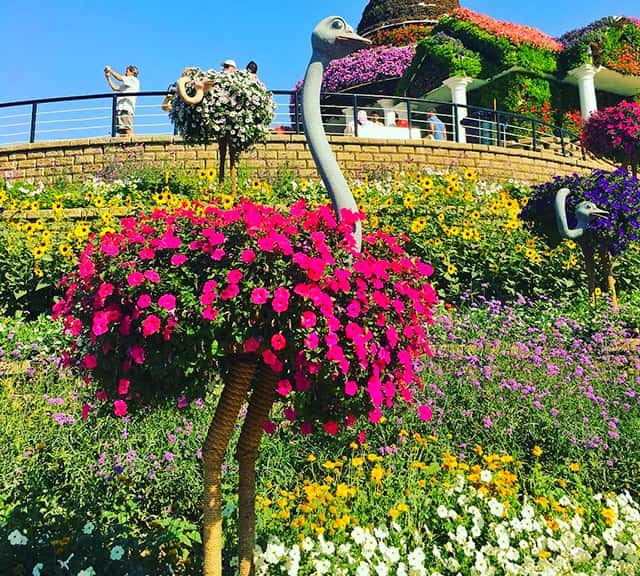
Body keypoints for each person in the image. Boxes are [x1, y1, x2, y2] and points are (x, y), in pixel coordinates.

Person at [104, 65, 140, 136]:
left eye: (127, 71)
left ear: (132, 72)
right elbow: (115, 88)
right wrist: (108, 77)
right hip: (120, 108)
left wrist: (110, 70)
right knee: (121, 130)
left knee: (127, 128)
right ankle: (123, 146)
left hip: (126, 108)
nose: (125, 73)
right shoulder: (127, 83)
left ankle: (134, 144)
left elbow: (119, 78)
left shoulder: (133, 79)